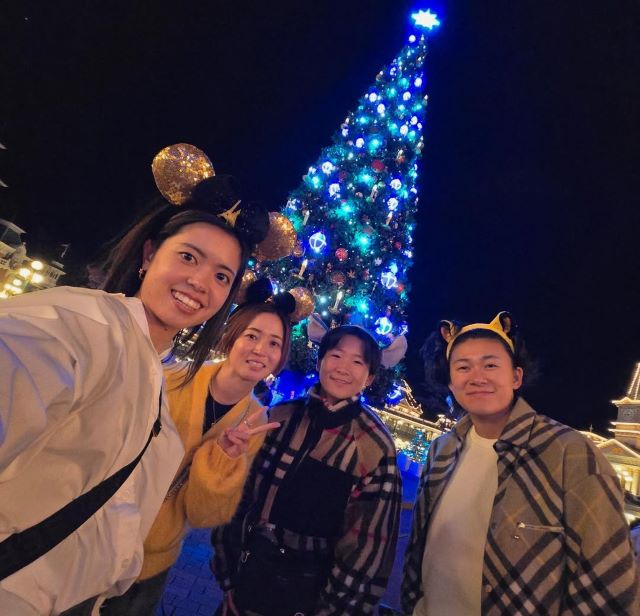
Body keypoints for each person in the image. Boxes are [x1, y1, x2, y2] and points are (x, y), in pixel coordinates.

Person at [0, 171, 270, 615]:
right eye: (188, 256)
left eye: (222, 276)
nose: (201, 282)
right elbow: (22, 365)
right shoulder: (84, 326)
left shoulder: (156, 370)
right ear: (148, 254)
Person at [402, 312, 639, 616]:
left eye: (490, 365)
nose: (477, 377)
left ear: (516, 377)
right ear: (450, 382)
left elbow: (609, 585)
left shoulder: (570, 454)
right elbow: (420, 551)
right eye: (463, 367)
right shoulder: (442, 450)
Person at [100, 279, 294, 614]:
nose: (261, 350)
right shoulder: (171, 380)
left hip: (152, 562)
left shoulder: (254, 420)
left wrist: (224, 458)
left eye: (274, 343)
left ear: (280, 358)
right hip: (99, 538)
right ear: (231, 337)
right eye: (252, 336)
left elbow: (205, 515)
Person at [212, 325, 403, 616]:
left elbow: (368, 547)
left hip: (309, 593)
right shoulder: (281, 416)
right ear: (320, 361)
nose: (343, 368)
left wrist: (332, 610)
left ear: (369, 378)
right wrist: (228, 578)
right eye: (336, 355)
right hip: (248, 577)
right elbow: (240, 498)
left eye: (357, 362)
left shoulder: (374, 444)